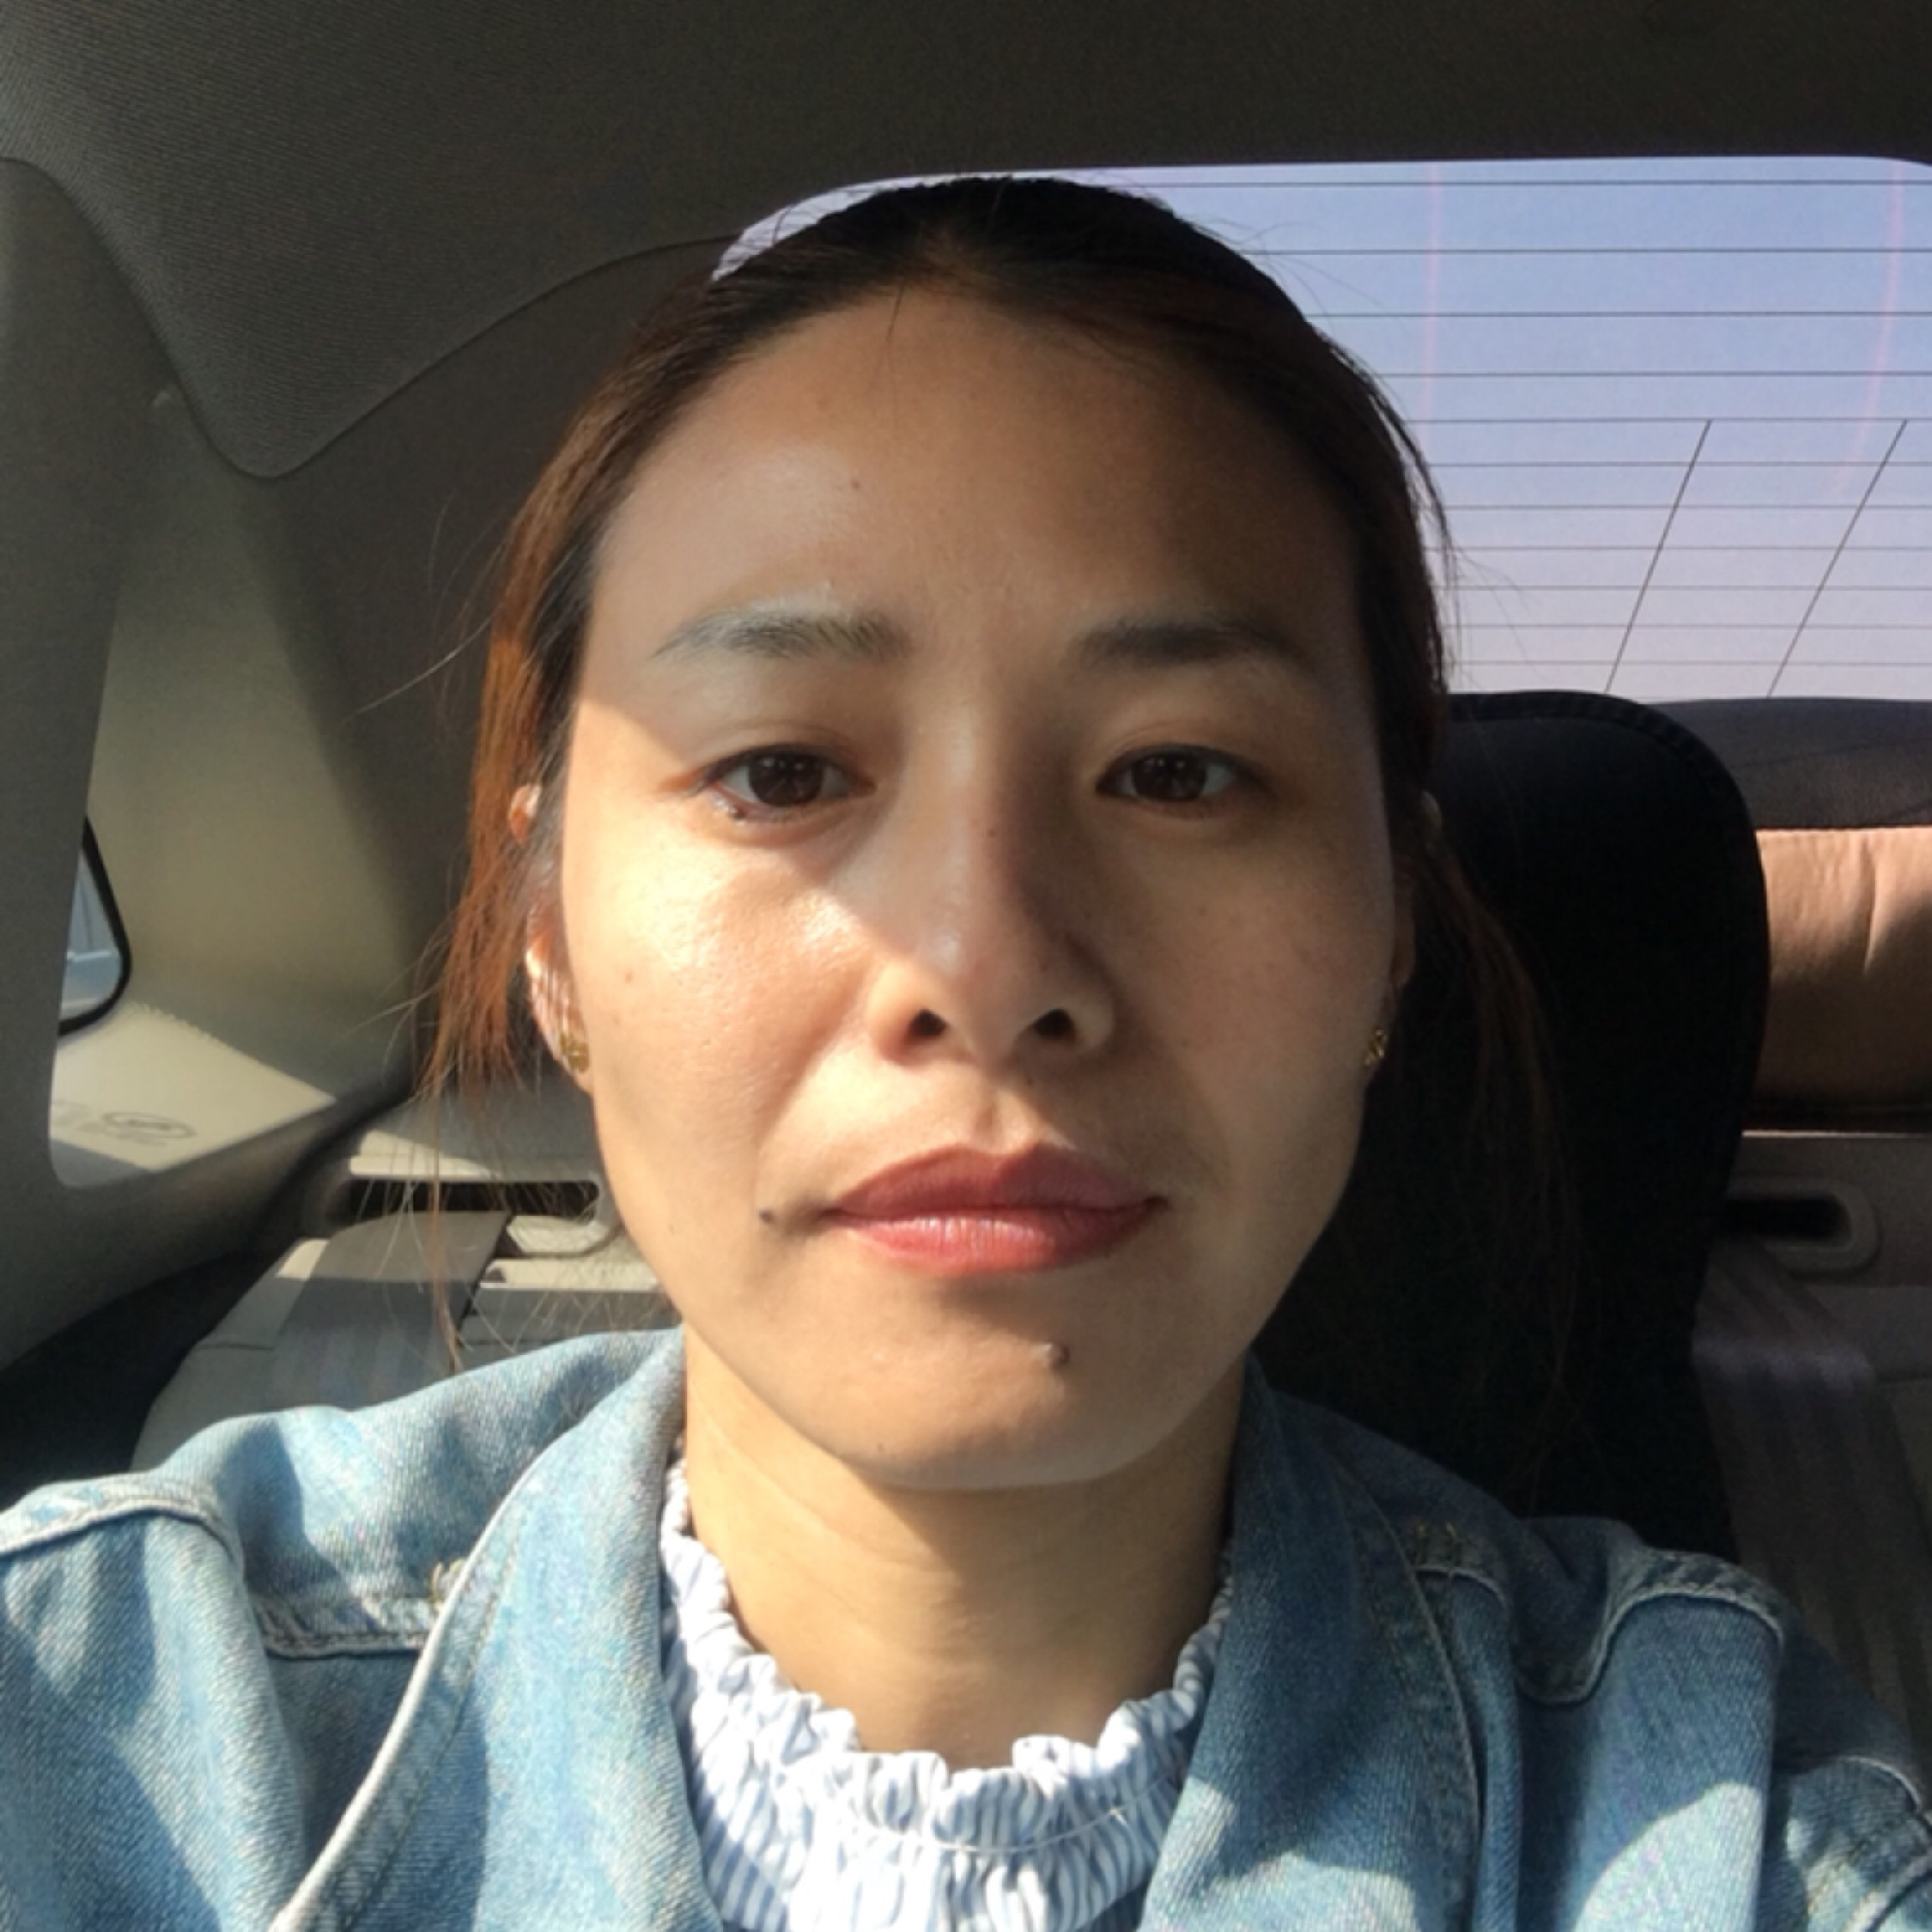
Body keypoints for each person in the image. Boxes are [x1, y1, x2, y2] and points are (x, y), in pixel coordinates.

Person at [1, 175, 1928, 1932]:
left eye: (1179, 774)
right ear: (555, 938)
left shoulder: (1719, 1831)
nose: (988, 971)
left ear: (1389, 932)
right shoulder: (108, 1705)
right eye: (781, 770)